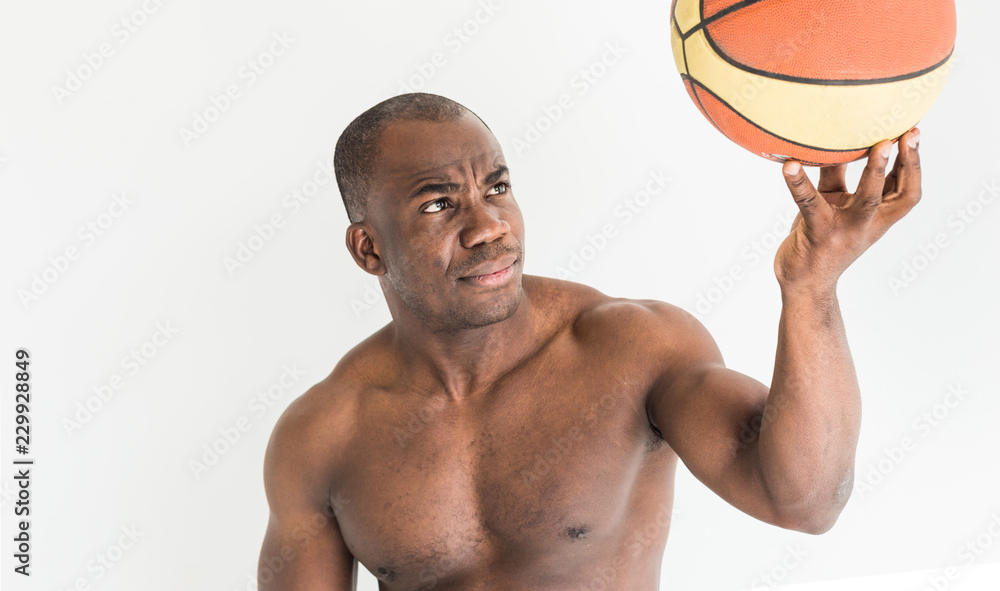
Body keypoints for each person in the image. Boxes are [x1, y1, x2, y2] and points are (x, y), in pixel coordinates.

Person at [256, 92, 922, 590]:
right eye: (438, 204)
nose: (489, 225)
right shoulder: (323, 436)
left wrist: (811, 290)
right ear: (369, 247)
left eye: (497, 187)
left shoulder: (632, 350)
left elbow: (805, 500)